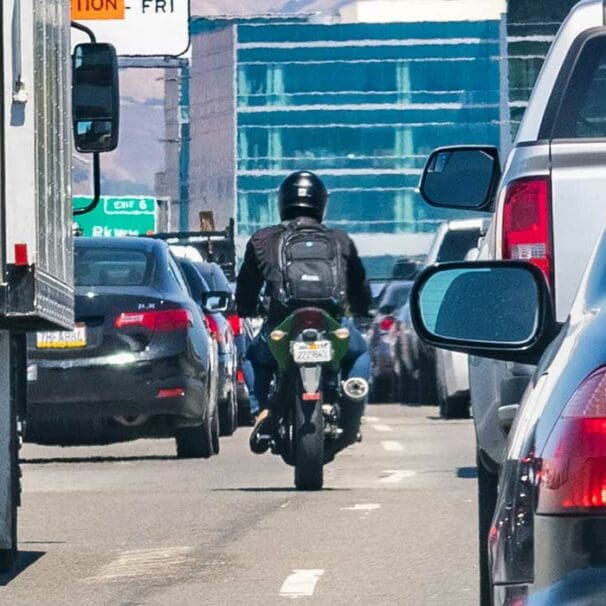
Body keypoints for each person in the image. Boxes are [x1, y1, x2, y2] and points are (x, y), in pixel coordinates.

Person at [235, 170, 372, 451]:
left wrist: (247, 308)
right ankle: (354, 395)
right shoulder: (339, 239)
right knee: (360, 352)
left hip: (281, 325)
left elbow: (247, 286)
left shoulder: (263, 239)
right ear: (321, 203)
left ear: (283, 201)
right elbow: (358, 285)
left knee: (252, 358)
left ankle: (261, 409)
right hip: (331, 322)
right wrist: (362, 310)